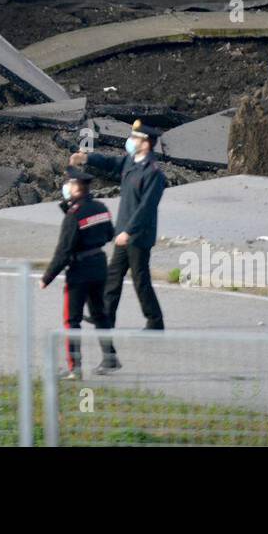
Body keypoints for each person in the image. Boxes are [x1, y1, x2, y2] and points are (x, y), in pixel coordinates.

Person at [69, 119, 166, 332]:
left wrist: (128, 232)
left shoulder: (153, 173)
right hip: (124, 232)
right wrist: (86, 157)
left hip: (138, 236)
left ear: (146, 143)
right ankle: (105, 315)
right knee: (113, 275)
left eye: (135, 138)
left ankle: (155, 322)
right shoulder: (132, 162)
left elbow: (146, 208)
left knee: (141, 280)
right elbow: (111, 162)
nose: (130, 141)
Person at [40, 166, 119, 377]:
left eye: (70, 183)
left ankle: (74, 368)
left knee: (72, 320)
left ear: (76, 188)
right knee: (100, 314)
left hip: (79, 270)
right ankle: (110, 358)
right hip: (100, 265)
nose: (67, 186)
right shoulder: (102, 207)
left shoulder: (73, 216)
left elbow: (63, 251)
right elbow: (110, 234)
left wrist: (46, 278)